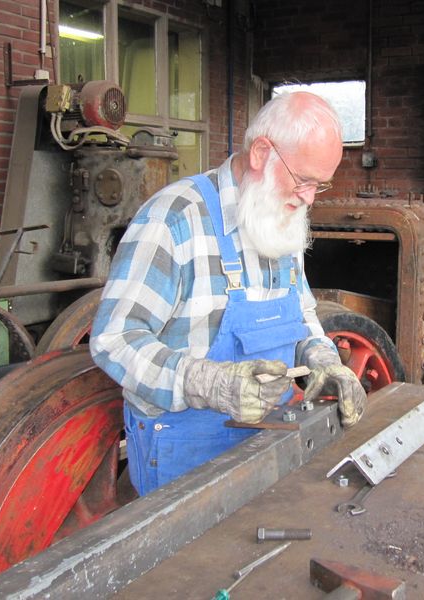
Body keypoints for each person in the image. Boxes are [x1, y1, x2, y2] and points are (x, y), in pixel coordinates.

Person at [90, 91, 366, 496]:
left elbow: (302, 313)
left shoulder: (282, 217)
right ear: (260, 153)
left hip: (267, 447)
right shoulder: (175, 219)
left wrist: (324, 361)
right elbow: (113, 340)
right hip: (185, 458)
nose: (308, 197)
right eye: (303, 180)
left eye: (319, 186)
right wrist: (208, 382)